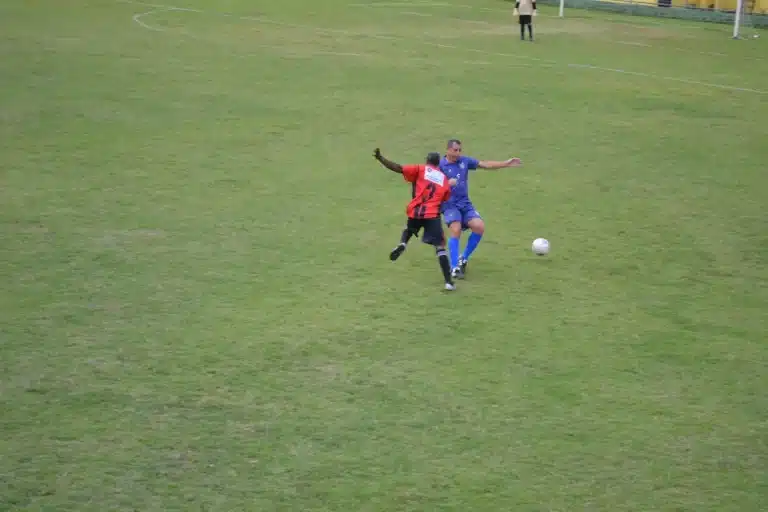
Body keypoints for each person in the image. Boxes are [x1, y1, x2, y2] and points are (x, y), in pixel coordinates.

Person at [373, 148, 457, 291]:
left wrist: (381, 158)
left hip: (416, 211)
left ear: (427, 161)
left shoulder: (420, 169)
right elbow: (445, 198)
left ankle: (403, 243)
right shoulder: (443, 179)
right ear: (438, 164)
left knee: (409, 228)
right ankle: (448, 282)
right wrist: (449, 184)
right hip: (432, 215)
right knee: (440, 247)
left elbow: (398, 168)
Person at [439, 139, 522, 279]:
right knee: (456, 228)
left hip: (464, 203)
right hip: (449, 205)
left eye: (459, 150)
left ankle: (463, 258)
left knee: (479, 226)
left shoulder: (464, 161)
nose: (458, 153)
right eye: (455, 150)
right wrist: (447, 184)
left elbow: (485, 164)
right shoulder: (440, 166)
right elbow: (432, 187)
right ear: (447, 150)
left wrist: (506, 163)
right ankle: (454, 268)